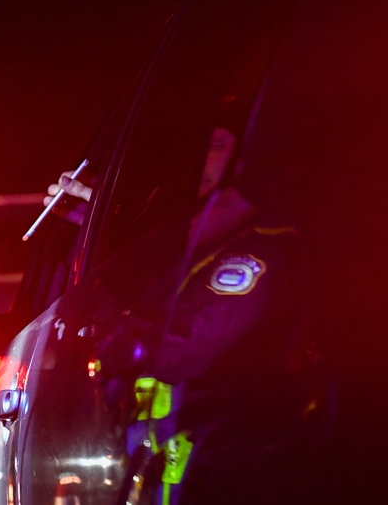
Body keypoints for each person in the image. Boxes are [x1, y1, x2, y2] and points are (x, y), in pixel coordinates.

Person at [43, 125, 330, 504]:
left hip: (232, 470)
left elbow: (187, 347)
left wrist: (108, 321)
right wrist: (103, 221)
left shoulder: (262, 249)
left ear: (249, 160)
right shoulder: (189, 249)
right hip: (176, 471)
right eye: (197, 145)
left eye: (215, 146)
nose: (199, 158)